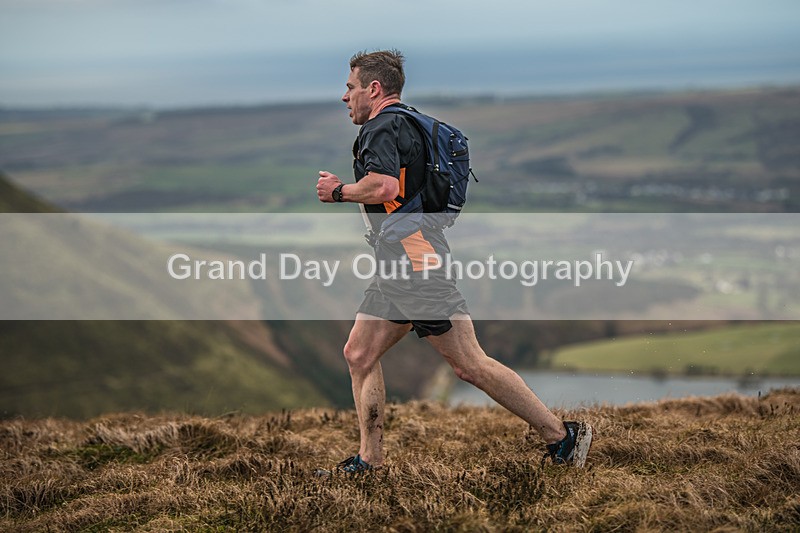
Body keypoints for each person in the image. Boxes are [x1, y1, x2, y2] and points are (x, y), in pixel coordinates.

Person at [316, 50, 593, 472]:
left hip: (414, 259)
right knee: (358, 353)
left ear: (373, 89)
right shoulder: (410, 122)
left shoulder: (381, 126)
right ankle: (369, 460)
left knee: (468, 363)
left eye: (350, 87)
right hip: (402, 259)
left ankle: (562, 437)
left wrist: (338, 191)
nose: (345, 96)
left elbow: (385, 186)